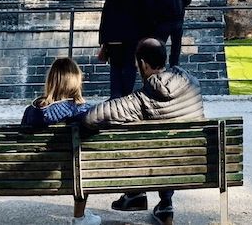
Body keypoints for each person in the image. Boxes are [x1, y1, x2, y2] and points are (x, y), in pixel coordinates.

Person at [82, 38, 204, 225]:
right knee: (166, 140)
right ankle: (165, 204)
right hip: (190, 162)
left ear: (144, 64)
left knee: (132, 133)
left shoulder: (142, 99)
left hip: (154, 164)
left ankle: (135, 192)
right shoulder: (192, 85)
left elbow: (91, 118)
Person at [21, 57, 100, 225]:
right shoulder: (86, 112)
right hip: (74, 176)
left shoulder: (32, 110)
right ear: (76, 81)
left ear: (50, 81)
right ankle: (79, 217)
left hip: (32, 174)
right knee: (84, 161)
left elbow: (21, 140)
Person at [98, 0, 149, 98]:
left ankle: (115, 97)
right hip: (132, 41)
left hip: (114, 41)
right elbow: (145, 20)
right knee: (130, 68)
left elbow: (105, 20)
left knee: (115, 69)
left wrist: (104, 41)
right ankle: (126, 97)